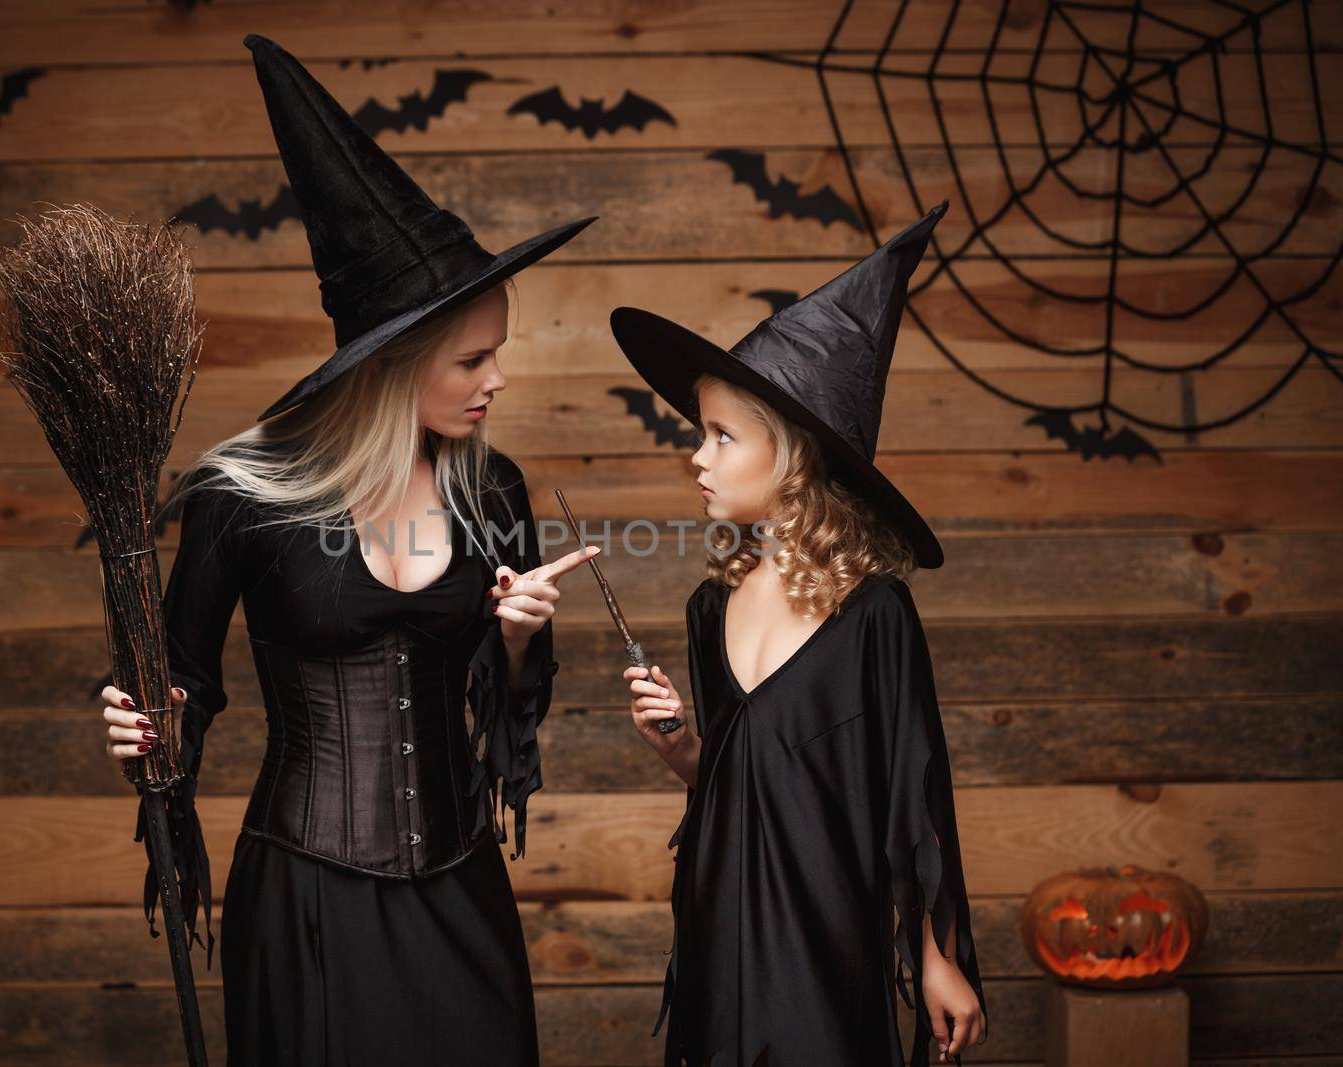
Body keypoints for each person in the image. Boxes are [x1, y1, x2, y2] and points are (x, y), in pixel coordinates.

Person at [98, 35, 598, 1064]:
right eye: (473, 357)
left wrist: (510, 643)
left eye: (497, 351)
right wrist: (144, 723)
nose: (495, 378)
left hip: (461, 882)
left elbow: (512, 710)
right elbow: (177, 685)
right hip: (307, 895)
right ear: (393, 365)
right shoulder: (243, 498)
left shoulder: (490, 489)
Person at [609, 204, 990, 1065]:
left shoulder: (874, 615)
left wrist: (936, 956)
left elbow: (914, 795)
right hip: (713, 936)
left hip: (823, 950)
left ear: (793, 456)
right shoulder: (710, 610)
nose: (697, 458)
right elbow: (736, 785)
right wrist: (680, 751)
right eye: (696, 435)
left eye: (720, 436)